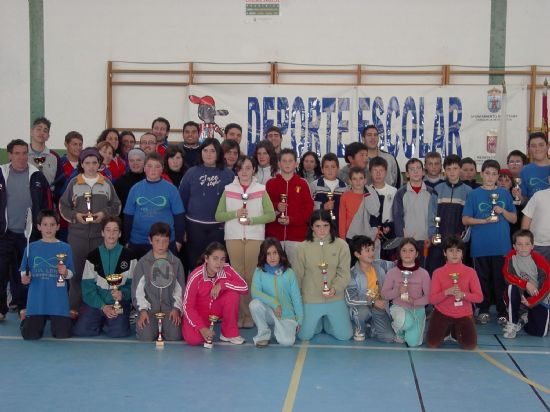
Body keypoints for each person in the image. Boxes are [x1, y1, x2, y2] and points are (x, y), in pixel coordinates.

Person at [59, 147, 121, 317]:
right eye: (87, 163)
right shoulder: (74, 183)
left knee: (100, 274)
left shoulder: (106, 183)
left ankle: (100, 310)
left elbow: (116, 206)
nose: (91, 166)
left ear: (99, 164)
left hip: (99, 237)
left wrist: (103, 214)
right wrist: (75, 216)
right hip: (77, 236)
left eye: (94, 162)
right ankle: (74, 309)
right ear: (82, 164)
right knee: (76, 274)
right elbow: (63, 206)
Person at [215, 156, 275, 327]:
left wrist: (252, 221)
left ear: (254, 169)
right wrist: (235, 214)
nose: (244, 171)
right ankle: (239, 314)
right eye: (241, 168)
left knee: (251, 277)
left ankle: (250, 316)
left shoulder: (261, 189)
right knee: (237, 278)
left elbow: (271, 215)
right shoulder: (228, 189)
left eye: (248, 168)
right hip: (233, 237)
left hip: (255, 237)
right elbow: (218, 215)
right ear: (236, 170)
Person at [0, 139, 51, 318]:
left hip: (29, 235)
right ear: (10, 155)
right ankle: (0, 309)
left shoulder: (37, 175)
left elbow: (46, 205)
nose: (22, 157)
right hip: (4, 234)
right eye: (17, 153)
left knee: (25, 273)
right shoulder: (1, 173)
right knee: (1, 271)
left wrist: (43, 229)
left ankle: (24, 307)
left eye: (25, 153)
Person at [462, 159, 517, 325]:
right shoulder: (473, 194)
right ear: (482, 174)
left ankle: (502, 310)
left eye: (494, 174)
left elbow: (514, 219)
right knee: (482, 280)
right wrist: (483, 221)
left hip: (501, 246)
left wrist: (502, 211)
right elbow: (465, 220)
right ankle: (484, 309)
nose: (490, 176)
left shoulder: (505, 194)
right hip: (480, 246)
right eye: (487, 173)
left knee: (500, 280)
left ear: (498, 176)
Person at [294, 210, 353, 341]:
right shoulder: (302, 248)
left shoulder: (341, 245)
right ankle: (317, 323)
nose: (322, 230)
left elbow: (344, 273)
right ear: (311, 227)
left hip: (335, 298)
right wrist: (296, 302)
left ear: (331, 226)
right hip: (310, 299)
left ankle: (328, 322)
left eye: (325, 225)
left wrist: (335, 289)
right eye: (318, 226)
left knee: (345, 336)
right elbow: (297, 276)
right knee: (304, 336)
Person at [73, 216, 136, 338]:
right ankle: (100, 319)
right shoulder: (93, 256)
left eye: (115, 230)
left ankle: (110, 322)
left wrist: (122, 294)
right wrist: (103, 306)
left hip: (118, 304)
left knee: (118, 334)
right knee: (81, 332)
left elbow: (132, 286)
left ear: (120, 234)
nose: (111, 234)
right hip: (97, 303)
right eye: (108, 230)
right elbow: (87, 288)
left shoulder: (130, 256)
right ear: (102, 233)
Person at [179, 138, 234, 271]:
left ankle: (216, 291)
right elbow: (182, 201)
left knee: (217, 265)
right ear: (200, 152)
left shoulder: (228, 175)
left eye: (212, 151)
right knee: (195, 263)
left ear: (218, 154)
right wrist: (183, 229)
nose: (208, 154)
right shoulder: (191, 173)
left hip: (218, 228)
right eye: (205, 150)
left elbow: (233, 203)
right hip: (194, 227)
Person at [19, 209, 74, 339]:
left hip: (58, 300)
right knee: (30, 336)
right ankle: (25, 315)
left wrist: (65, 272)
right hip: (37, 301)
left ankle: (69, 316)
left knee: (63, 335)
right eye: (45, 224)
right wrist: (25, 278)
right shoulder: (30, 248)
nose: (48, 228)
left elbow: (71, 273)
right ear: (38, 227)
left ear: (58, 226)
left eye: (52, 224)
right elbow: (23, 272)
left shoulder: (66, 248)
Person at [182, 242, 248, 346]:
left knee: (232, 295)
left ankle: (228, 333)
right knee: (194, 340)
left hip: (216, 309)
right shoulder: (195, 276)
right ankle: (202, 327)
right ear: (206, 259)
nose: (219, 263)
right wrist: (202, 328)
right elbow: (187, 306)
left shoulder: (227, 269)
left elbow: (244, 287)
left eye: (222, 259)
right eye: (215, 258)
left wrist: (223, 284)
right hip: (199, 313)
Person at [123, 152, 185, 259]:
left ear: (162, 169)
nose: (153, 169)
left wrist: (179, 241)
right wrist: (126, 240)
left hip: (165, 242)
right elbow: (128, 217)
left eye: (157, 166)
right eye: (149, 166)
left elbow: (179, 216)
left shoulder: (171, 189)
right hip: (138, 241)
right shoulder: (135, 189)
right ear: (144, 168)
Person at [426, 236, 483, 350]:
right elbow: (432, 300)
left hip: (464, 314)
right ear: (445, 253)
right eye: (451, 250)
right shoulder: (438, 272)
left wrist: (464, 295)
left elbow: (479, 297)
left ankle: (454, 332)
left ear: (462, 254)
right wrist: (446, 292)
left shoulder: (470, 272)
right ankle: (447, 331)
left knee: (470, 346)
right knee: (432, 344)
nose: (454, 254)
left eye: (458, 250)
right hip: (442, 313)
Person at [132, 222, 185, 342]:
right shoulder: (143, 263)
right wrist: (143, 310)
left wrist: (176, 309)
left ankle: (167, 325)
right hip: (149, 309)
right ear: (150, 240)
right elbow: (137, 290)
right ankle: (144, 322)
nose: (161, 245)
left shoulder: (176, 263)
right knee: (146, 337)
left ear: (169, 241)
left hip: (169, 309)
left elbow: (180, 289)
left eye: (165, 241)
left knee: (174, 336)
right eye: (157, 240)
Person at [250, 238, 303, 347]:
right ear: (264, 256)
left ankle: (279, 330)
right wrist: (274, 303)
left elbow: (296, 297)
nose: (272, 257)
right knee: (254, 304)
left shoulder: (289, 272)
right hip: (269, 313)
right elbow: (255, 292)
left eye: (275, 253)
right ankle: (263, 334)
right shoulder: (259, 271)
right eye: (268, 254)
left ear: (280, 253)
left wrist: (299, 320)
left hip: (286, 315)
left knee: (287, 342)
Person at [265, 148, 314, 266]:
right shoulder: (271, 183)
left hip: (296, 237)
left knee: (296, 271)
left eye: (290, 161)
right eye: (284, 161)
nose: (287, 164)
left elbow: (308, 210)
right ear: (278, 163)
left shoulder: (302, 183)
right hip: (275, 237)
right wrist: (277, 207)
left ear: (296, 163)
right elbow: (264, 207)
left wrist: (291, 220)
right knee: (274, 270)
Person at [345, 236, 396, 342]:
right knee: (362, 313)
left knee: (389, 338)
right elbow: (350, 300)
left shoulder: (380, 264)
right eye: (367, 250)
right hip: (362, 307)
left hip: (379, 307)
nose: (371, 253)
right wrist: (372, 302)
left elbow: (397, 265)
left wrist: (405, 253)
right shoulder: (352, 274)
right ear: (357, 254)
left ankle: (372, 326)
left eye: (372, 249)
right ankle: (359, 328)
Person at [426, 154, 471, 273]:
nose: (452, 172)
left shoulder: (468, 191)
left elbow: (469, 219)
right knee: (436, 272)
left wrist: (462, 238)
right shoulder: (438, 189)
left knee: (456, 275)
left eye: (455, 168)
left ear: (460, 169)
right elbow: (432, 214)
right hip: (438, 241)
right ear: (444, 170)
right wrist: (432, 235)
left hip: (458, 243)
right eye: (449, 169)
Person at [381, 238, 431, 346]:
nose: (407, 253)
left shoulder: (424, 273)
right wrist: (398, 291)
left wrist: (414, 302)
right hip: (399, 308)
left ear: (417, 254)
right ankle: (399, 330)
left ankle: (408, 330)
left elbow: (429, 297)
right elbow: (384, 294)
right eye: (404, 250)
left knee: (413, 343)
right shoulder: (392, 272)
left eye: (411, 250)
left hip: (417, 310)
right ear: (399, 253)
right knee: (407, 322)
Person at [502, 230, 550, 338]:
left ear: (532, 246)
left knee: (540, 333)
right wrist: (525, 284)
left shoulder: (539, 260)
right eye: (519, 244)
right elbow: (507, 276)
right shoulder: (510, 257)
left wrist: (531, 302)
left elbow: (547, 285)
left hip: (537, 294)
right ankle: (512, 324)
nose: (523, 247)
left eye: (527, 244)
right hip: (520, 290)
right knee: (511, 287)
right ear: (514, 246)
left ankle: (526, 318)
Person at [392, 158, 437, 267]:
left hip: (428, 241)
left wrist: (434, 238)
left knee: (427, 273)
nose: (416, 172)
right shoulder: (400, 193)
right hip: (408, 242)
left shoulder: (432, 192)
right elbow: (397, 218)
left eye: (418, 168)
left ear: (423, 172)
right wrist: (403, 240)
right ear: (407, 174)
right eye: (412, 169)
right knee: (409, 272)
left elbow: (437, 217)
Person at [339, 167, 378, 248]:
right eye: (354, 179)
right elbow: (342, 218)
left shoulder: (371, 193)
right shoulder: (345, 196)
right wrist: (342, 239)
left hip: (367, 236)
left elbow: (375, 212)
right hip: (350, 236)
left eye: (361, 178)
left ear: (365, 180)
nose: (358, 182)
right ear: (350, 181)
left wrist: (367, 194)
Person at [368, 156, 397, 258]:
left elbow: (395, 213)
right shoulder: (366, 191)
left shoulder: (393, 191)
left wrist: (389, 226)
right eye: (375, 170)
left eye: (381, 170)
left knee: (387, 261)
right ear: (370, 172)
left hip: (388, 231)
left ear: (386, 172)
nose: (378, 173)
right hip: (371, 231)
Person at [310, 153, 347, 233]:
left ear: (338, 169)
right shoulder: (314, 186)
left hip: (338, 229)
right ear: (322, 169)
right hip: (319, 230)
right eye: (326, 167)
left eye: (333, 167)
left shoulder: (345, 187)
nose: (330, 170)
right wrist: (322, 207)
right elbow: (308, 207)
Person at [28, 117, 64, 194]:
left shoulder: (54, 157)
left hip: (48, 200)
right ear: (31, 132)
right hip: (26, 198)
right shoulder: (23, 154)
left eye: (45, 131)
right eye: (38, 129)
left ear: (48, 136)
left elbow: (60, 183)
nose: (41, 133)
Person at [521, 170, 550, 264]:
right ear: (549, 179)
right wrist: (525, 242)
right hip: (537, 245)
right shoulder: (538, 195)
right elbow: (527, 217)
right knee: (536, 274)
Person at [114, 148, 146, 217]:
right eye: (132, 160)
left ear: (144, 162)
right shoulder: (121, 181)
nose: (135, 163)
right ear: (128, 162)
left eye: (138, 160)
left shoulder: (150, 179)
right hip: (127, 220)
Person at [519, 132, 550, 201]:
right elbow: (524, 201)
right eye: (533, 146)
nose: (537, 149)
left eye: (541, 145)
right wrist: (519, 197)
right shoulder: (525, 170)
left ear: (548, 146)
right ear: (529, 149)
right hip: (534, 211)